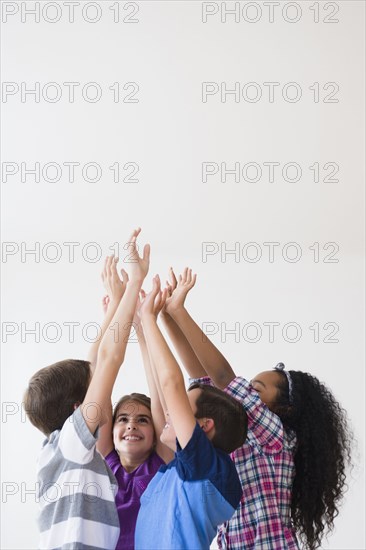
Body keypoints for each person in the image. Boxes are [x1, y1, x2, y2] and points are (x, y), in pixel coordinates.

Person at [161, 267, 354, 550]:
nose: (246, 391)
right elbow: (201, 379)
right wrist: (166, 316)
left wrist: (180, 312)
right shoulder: (235, 436)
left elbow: (223, 378)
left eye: (257, 389)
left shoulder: (276, 439)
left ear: (284, 409)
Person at [23, 228, 150, 550]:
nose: (103, 394)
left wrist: (112, 310)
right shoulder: (71, 443)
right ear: (79, 409)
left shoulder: (57, 450)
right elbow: (108, 360)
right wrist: (133, 285)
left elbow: (96, 364)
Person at [134, 275, 248, 550]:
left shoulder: (210, 469)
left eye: (181, 408)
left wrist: (150, 318)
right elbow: (160, 395)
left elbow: (170, 382)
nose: (172, 411)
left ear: (204, 425)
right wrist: (142, 329)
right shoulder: (179, 469)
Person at [95, 259, 173, 550]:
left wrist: (142, 329)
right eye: (123, 419)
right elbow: (99, 382)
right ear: (112, 430)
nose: (131, 424)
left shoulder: (162, 463)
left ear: (154, 432)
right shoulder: (104, 460)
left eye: (142, 420)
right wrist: (115, 314)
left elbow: (159, 386)